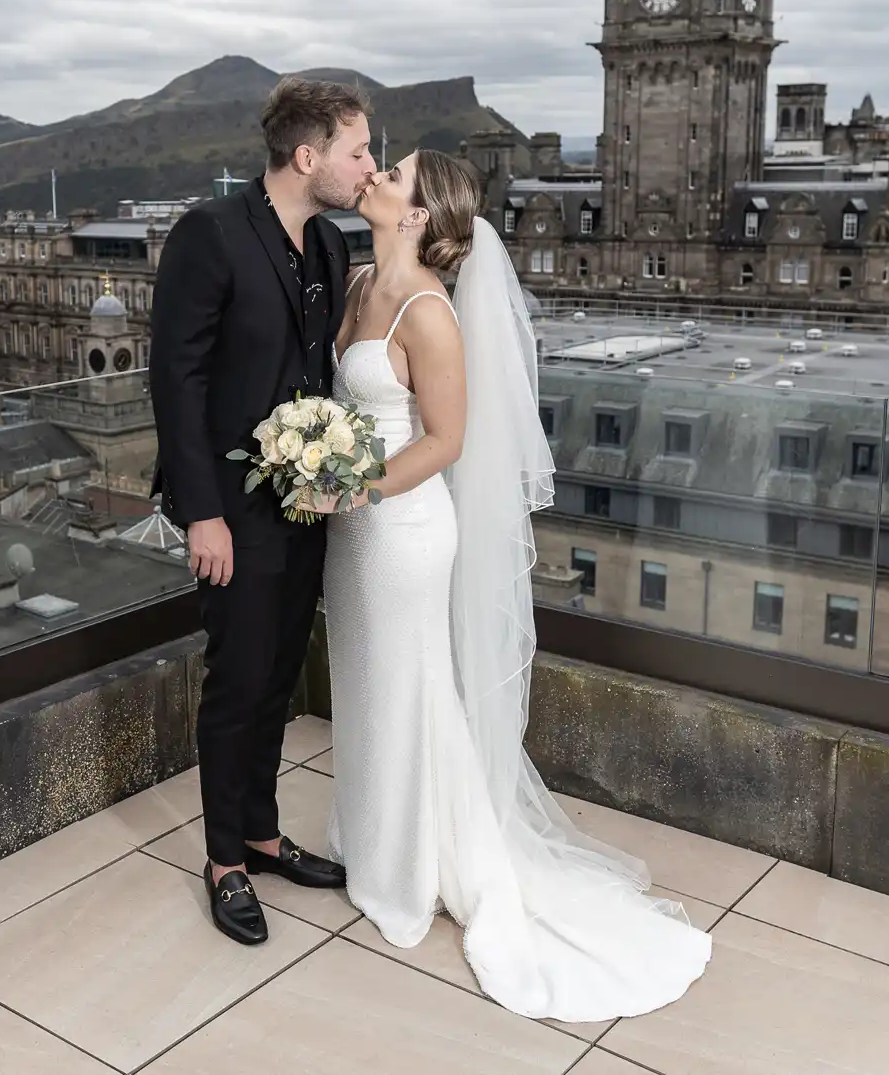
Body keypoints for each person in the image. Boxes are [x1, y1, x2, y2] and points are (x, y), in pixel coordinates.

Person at [303, 148, 712, 1021]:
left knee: (414, 689)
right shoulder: (360, 280)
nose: (375, 173)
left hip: (404, 532)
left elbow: (445, 440)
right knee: (369, 687)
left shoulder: (430, 311)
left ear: (419, 214)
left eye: (394, 173)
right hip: (354, 533)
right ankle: (375, 844)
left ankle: (412, 867)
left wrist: (355, 484)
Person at [149, 76, 375, 944]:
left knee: (279, 677)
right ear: (308, 154)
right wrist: (201, 512)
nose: (369, 165)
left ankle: (264, 832)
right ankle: (224, 862)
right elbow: (177, 379)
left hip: (303, 503)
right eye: (358, 149)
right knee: (236, 683)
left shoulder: (325, 245)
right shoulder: (209, 233)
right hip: (230, 513)